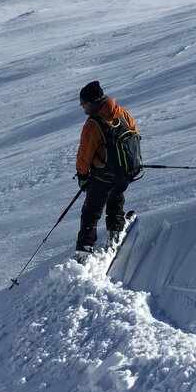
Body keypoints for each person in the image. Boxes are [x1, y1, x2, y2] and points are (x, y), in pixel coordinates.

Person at [74, 81, 140, 262]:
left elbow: (84, 155)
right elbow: (135, 138)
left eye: (84, 103)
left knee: (91, 212)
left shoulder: (93, 124)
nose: (82, 106)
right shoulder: (123, 114)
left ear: (93, 101)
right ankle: (115, 233)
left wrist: (82, 176)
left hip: (102, 176)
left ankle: (85, 251)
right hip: (125, 173)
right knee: (116, 199)